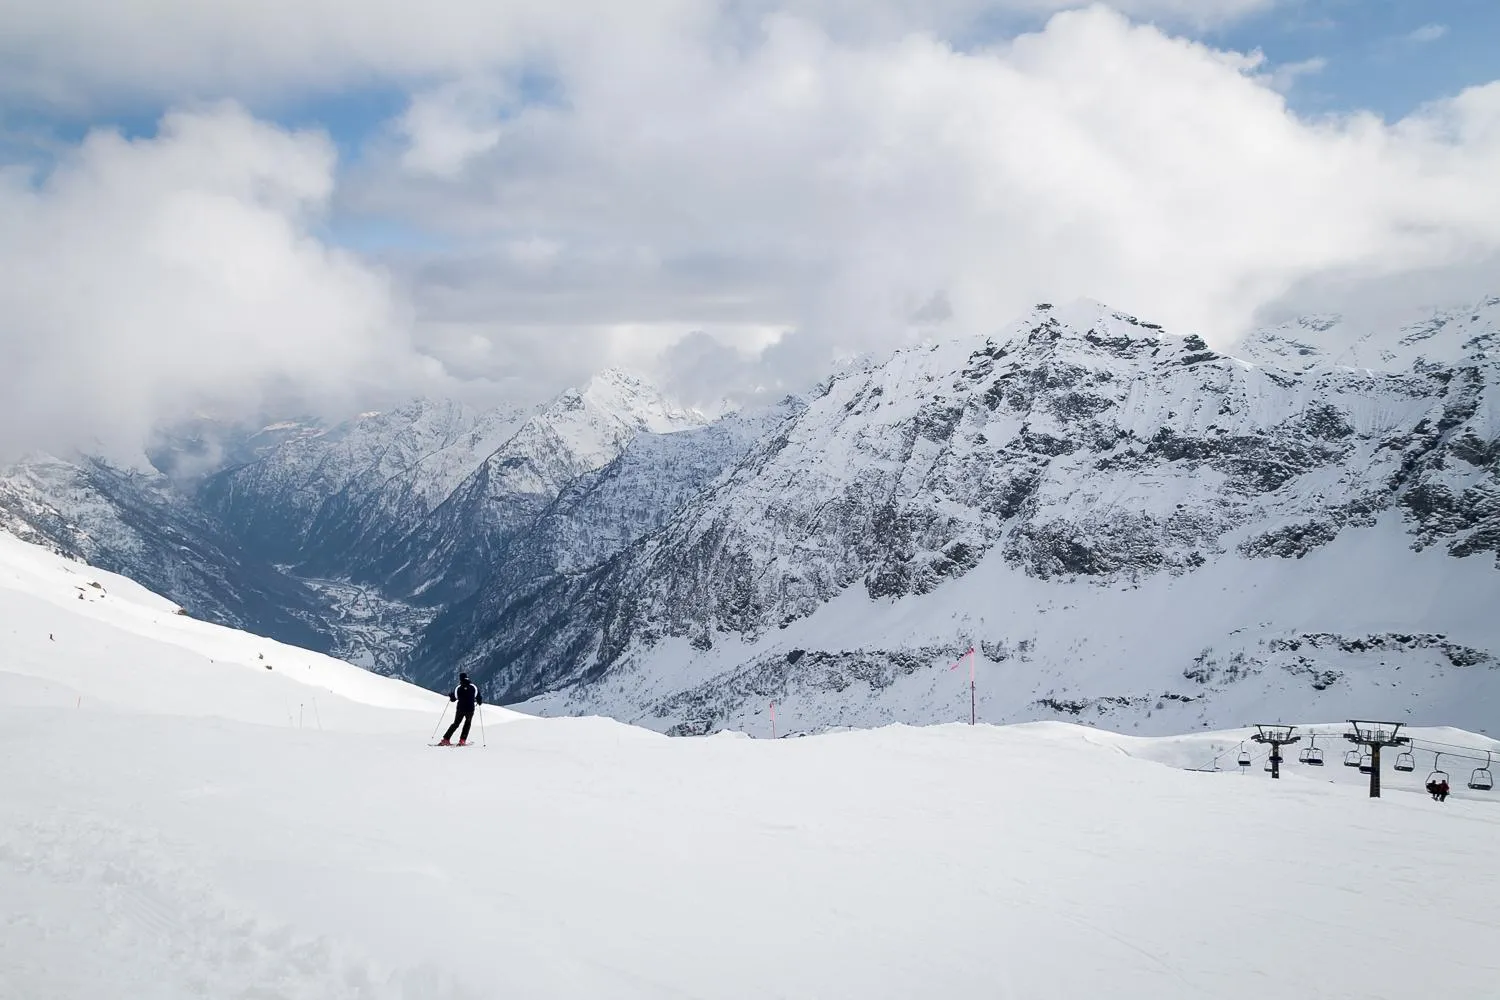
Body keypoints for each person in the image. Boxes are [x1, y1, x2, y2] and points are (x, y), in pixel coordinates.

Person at [438, 673, 482, 746]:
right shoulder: (474, 687)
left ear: (460, 679)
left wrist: (451, 696)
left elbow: (453, 699)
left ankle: (446, 739)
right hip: (470, 709)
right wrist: (479, 702)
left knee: (456, 724)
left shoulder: (458, 688)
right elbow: (479, 698)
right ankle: (462, 740)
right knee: (467, 724)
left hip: (460, 709)